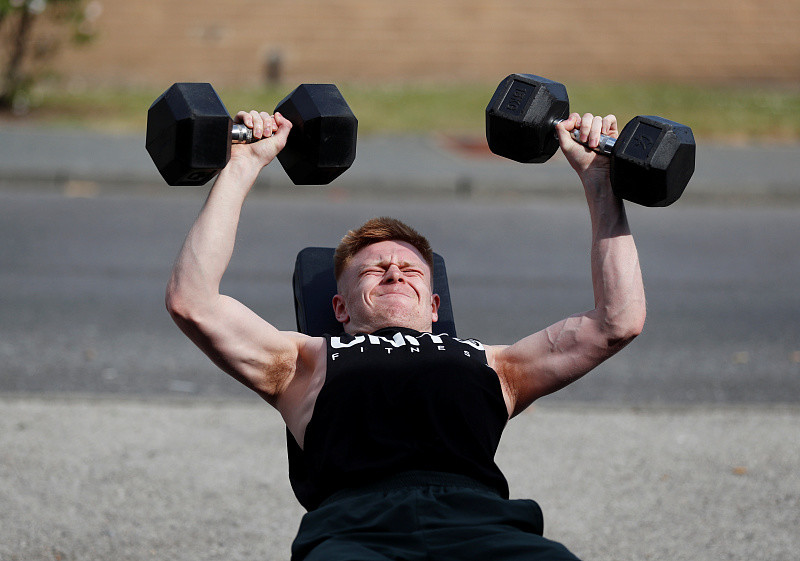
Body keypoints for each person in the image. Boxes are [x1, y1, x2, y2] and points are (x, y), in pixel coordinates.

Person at [166, 108, 646, 560]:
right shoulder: (302, 361)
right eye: (373, 270)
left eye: (411, 270)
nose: (394, 272)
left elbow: (617, 322)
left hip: (482, 525)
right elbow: (194, 301)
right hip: (355, 529)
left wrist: (601, 183)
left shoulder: (498, 366)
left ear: (435, 307)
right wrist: (241, 166)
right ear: (340, 308)